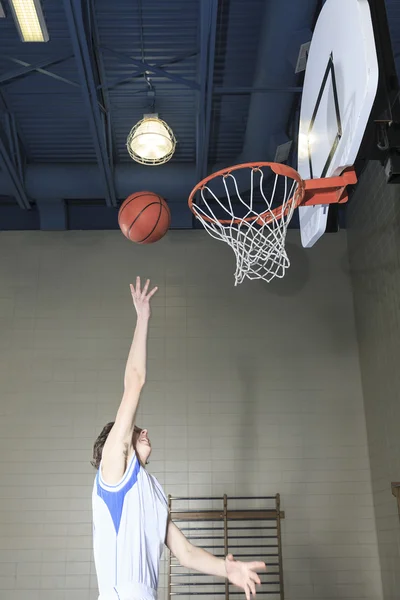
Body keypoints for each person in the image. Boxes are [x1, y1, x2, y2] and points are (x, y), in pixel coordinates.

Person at [91, 277, 267, 600]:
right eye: (134, 429)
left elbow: (184, 552)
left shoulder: (153, 492)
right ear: (120, 442)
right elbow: (135, 381)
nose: (143, 431)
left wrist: (228, 570)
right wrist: (142, 318)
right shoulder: (113, 472)